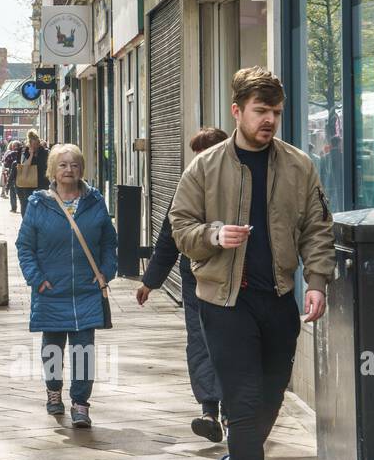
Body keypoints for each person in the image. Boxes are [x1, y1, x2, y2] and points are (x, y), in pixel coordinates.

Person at [170, 68, 334, 460]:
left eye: (276, 112)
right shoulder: (205, 167)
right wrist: (213, 235)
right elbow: (181, 227)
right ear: (237, 111)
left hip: (278, 300)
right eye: (261, 111)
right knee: (242, 404)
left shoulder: (298, 165)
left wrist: (316, 281)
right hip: (225, 304)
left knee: (271, 398)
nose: (269, 120)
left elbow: (317, 227)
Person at [137, 126, 230, 443]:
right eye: (198, 155)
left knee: (232, 342)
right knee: (200, 340)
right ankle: (209, 411)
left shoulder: (241, 186)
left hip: (236, 278)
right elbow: (169, 237)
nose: (201, 161)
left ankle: (232, 410)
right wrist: (150, 281)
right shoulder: (187, 187)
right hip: (196, 279)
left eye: (208, 155)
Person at [16, 144, 116, 429]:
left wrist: (105, 272)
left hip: (86, 290)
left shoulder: (95, 201)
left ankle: (81, 404)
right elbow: (25, 246)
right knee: (53, 348)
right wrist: (37, 279)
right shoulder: (39, 204)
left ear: (81, 169)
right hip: (51, 290)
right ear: (52, 170)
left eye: (74, 164)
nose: (69, 169)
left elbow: (109, 242)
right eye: (62, 165)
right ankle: (53, 391)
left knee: (84, 350)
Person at [16, 131, 49, 218]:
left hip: (42, 183)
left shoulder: (44, 152)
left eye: (37, 144)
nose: (35, 146)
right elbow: (24, 167)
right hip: (28, 184)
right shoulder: (25, 152)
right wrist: (31, 155)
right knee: (27, 205)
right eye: (33, 144)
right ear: (29, 144)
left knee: (42, 206)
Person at [1, 140, 23, 213]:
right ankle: (23, 207)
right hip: (23, 176)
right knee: (21, 194)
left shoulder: (10, 154)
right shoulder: (23, 154)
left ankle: (14, 208)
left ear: (13, 147)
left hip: (12, 175)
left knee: (12, 192)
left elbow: (5, 163)